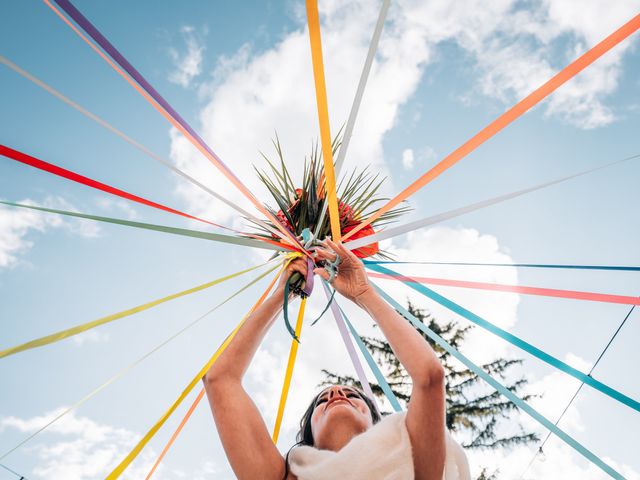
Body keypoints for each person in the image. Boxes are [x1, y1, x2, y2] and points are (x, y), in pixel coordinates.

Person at [203, 239, 471, 480]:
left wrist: (363, 294)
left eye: (353, 395)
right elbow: (219, 379)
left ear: (376, 421)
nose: (334, 394)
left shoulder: (411, 454)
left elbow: (429, 377)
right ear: (309, 436)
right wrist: (281, 296)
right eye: (322, 401)